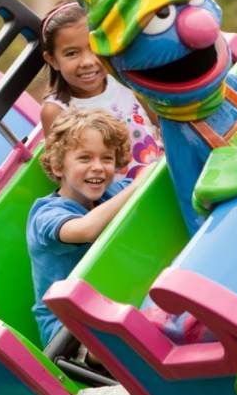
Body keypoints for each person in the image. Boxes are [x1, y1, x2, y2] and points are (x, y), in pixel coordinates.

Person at [27, 108, 148, 346]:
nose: (98, 167)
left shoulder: (114, 191)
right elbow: (86, 230)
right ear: (58, 165)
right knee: (129, 333)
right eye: (84, 158)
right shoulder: (46, 214)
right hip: (68, 331)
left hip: (118, 303)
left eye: (107, 158)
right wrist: (139, 186)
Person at [40, 0, 163, 181]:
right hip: (120, 202)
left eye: (94, 48)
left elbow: (163, 126)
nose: (88, 62)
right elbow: (66, 174)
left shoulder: (126, 80)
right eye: (72, 53)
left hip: (163, 176)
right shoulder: (57, 111)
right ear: (52, 60)